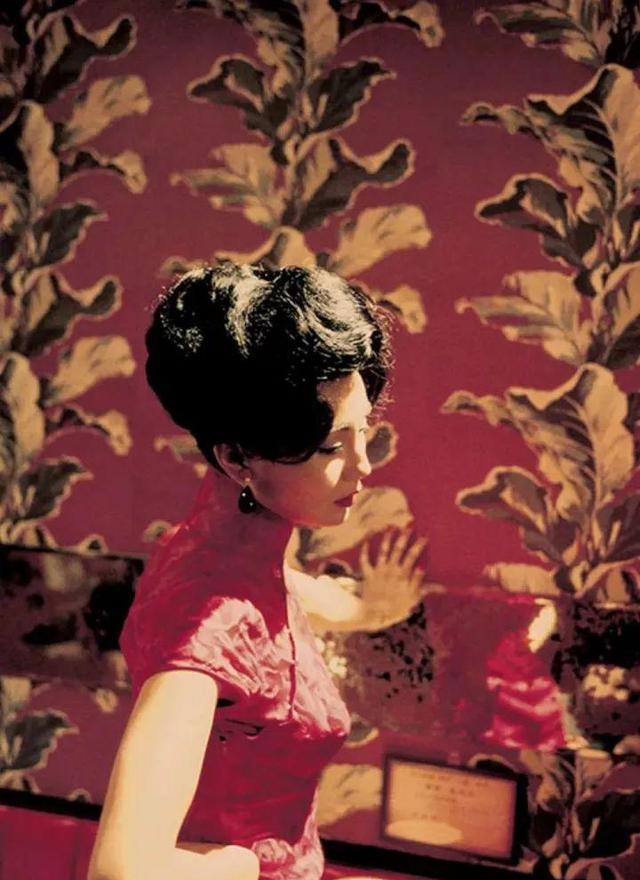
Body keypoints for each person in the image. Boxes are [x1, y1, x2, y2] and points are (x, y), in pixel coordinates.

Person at [87, 263, 427, 880]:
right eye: (331, 447)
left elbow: (270, 593)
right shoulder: (211, 630)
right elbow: (121, 871)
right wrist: (246, 864)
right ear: (238, 458)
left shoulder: (223, 544)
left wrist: (361, 609)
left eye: (363, 432)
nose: (363, 466)